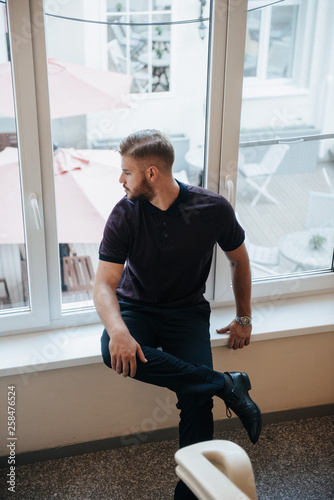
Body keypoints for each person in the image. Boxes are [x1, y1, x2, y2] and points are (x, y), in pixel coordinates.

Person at [94, 129, 262, 499]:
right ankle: (226, 384)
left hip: (187, 313)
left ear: (151, 173)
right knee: (112, 350)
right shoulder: (124, 214)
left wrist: (244, 318)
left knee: (196, 398)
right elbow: (104, 284)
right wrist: (119, 331)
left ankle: (190, 490)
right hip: (137, 309)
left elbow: (239, 260)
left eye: (126, 172)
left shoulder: (211, 208)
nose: (120, 179)